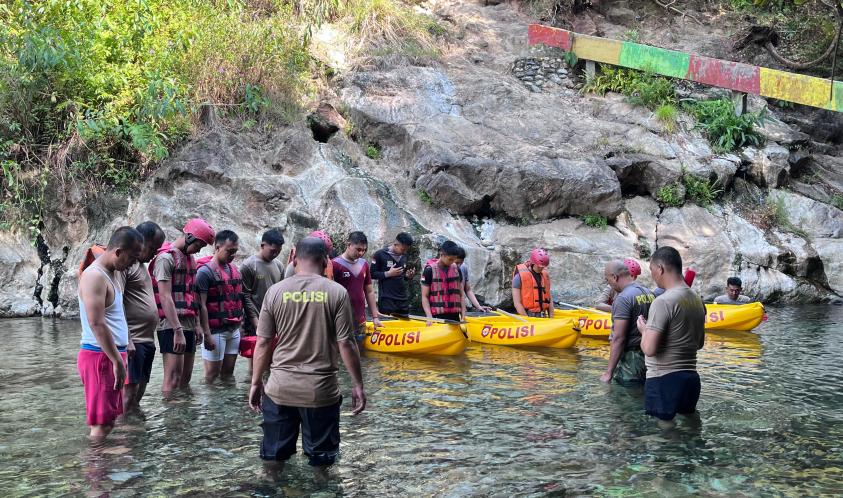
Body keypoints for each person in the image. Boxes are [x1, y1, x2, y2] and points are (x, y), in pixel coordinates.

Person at [249, 237, 366, 472]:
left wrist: (255, 382)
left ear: (294, 259)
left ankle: (272, 487)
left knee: (273, 460)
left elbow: (263, 342)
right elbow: (346, 343)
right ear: (325, 261)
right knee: (322, 463)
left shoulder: (275, 292)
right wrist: (358, 384)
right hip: (320, 391)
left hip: (280, 389)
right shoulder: (336, 292)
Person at [77, 227, 143, 439]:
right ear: (118, 252)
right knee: (101, 424)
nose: (134, 263)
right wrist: (116, 360)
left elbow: (115, 315)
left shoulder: (113, 274)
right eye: (132, 258)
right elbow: (96, 323)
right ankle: (95, 461)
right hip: (100, 356)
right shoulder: (94, 277)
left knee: (110, 420)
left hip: (111, 355)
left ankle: (101, 459)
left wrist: (126, 343)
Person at [637, 246, 706, 427]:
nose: (652, 275)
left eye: (652, 270)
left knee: (665, 431)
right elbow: (699, 343)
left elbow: (649, 349)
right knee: (691, 427)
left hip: (663, 378)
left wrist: (644, 330)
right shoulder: (697, 300)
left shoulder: (663, 302)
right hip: (691, 378)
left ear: (660, 268)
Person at [149, 218, 215, 395]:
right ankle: (171, 411)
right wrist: (177, 330)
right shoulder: (165, 259)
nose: (199, 250)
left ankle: (183, 412)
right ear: (189, 237)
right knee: (173, 378)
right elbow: (165, 296)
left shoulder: (189, 259)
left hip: (189, 323)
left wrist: (197, 325)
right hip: (171, 325)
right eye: (199, 245)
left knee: (185, 379)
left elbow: (191, 294)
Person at [118, 221, 165, 415]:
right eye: (153, 248)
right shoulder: (125, 266)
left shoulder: (141, 266)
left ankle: (136, 428)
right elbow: (117, 303)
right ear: (140, 241)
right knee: (128, 394)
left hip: (146, 340)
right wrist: (127, 338)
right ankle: (122, 430)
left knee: (138, 393)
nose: (155, 253)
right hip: (133, 340)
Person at [196, 230, 246, 383]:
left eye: (235, 251)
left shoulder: (234, 270)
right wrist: (206, 334)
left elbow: (239, 299)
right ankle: (209, 400)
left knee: (228, 374)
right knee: (211, 376)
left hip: (233, 329)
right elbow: (201, 305)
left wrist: (241, 326)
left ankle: (226, 399)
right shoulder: (204, 272)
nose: (233, 255)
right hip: (215, 332)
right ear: (217, 248)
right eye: (229, 251)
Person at [599, 259, 655, 385]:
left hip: (630, 362)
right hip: (649, 359)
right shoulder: (649, 293)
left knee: (625, 394)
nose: (609, 284)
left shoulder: (623, 298)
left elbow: (619, 339)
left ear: (614, 277)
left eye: (608, 280)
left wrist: (608, 373)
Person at [239, 228, 285, 364]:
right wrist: (255, 320)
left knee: (273, 358)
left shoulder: (279, 266)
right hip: (255, 319)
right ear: (262, 245)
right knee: (256, 359)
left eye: (278, 251)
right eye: (272, 251)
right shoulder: (249, 265)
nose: (275, 254)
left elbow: (281, 293)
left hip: (274, 318)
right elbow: (245, 296)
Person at [332, 231, 383, 341]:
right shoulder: (334, 264)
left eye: (364, 250)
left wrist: (375, 317)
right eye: (358, 249)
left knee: (359, 348)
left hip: (360, 319)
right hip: (341, 319)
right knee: (342, 348)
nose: (361, 253)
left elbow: (369, 291)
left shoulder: (364, 264)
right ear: (349, 245)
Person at [421, 240, 466, 324]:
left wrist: (463, 315)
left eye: (454, 259)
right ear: (442, 255)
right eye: (450, 259)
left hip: (455, 316)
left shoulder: (457, 269)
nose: (452, 262)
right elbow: (424, 296)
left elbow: (461, 295)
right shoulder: (429, 270)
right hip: (437, 317)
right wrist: (429, 317)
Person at [371, 232, 415, 316]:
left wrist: (407, 276)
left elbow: (401, 276)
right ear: (395, 244)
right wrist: (388, 273)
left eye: (406, 250)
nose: (404, 252)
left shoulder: (404, 256)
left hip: (402, 300)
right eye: (403, 249)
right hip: (387, 300)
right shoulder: (380, 254)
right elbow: (372, 274)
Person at [512, 248, 554, 318]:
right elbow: (517, 303)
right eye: (539, 266)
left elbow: (549, 298)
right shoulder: (518, 277)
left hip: (543, 316)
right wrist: (527, 320)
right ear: (533, 262)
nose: (541, 268)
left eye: (543, 267)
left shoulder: (545, 275)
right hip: (528, 316)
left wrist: (551, 317)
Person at [453, 247, 491, 312]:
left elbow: (468, 290)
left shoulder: (463, 267)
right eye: (456, 263)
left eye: (461, 263)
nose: (458, 265)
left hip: (461, 306)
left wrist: (478, 306)